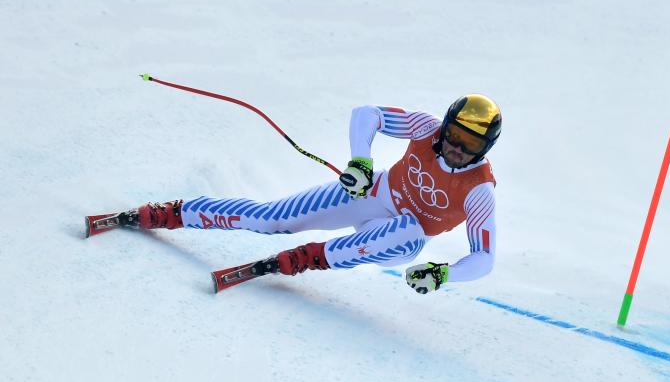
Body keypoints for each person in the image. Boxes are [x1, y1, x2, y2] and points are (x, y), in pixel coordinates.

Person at [89, 95, 501, 294]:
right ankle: (171, 213)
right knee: (270, 219)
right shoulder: (425, 128)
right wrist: (360, 161)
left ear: (484, 149)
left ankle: (307, 259)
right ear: (445, 125)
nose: (457, 148)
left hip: (393, 236)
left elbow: (484, 258)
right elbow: (368, 115)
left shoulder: (479, 190)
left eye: (470, 144)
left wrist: (443, 273)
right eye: (455, 135)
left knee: (410, 235)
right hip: (370, 194)